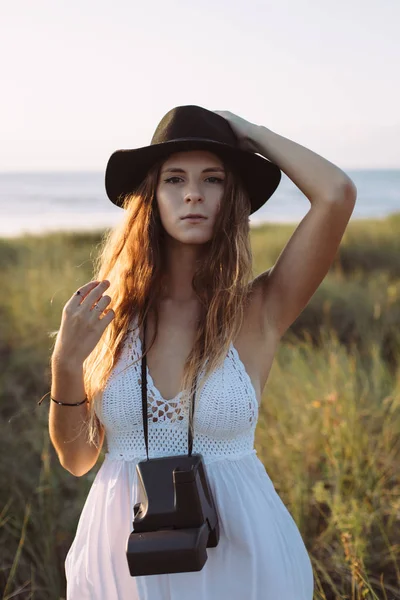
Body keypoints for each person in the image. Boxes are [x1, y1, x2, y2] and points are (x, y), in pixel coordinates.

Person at [47, 105, 357, 599]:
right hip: (125, 561)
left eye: (213, 179)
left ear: (230, 196)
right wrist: (65, 363)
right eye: (175, 179)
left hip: (242, 557)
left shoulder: (259, 309)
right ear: (151, 197)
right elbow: (79, 458)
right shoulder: (110, 315)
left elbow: (336, 194)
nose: (193, 192)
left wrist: (250, 134)